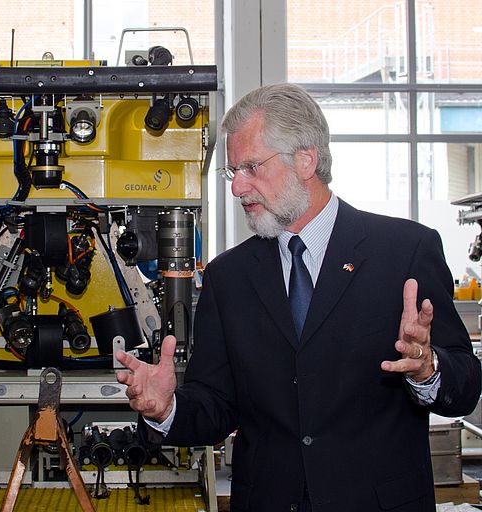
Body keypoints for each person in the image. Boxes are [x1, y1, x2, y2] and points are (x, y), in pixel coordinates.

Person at [116, 83, 481, 511]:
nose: (237, 189)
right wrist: (167, 408)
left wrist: (428, 369)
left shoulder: (404, 251)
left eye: (251, 167)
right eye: (233, 172)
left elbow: (465, 387)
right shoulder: (227, 277)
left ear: (306, 160)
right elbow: (216, 406)